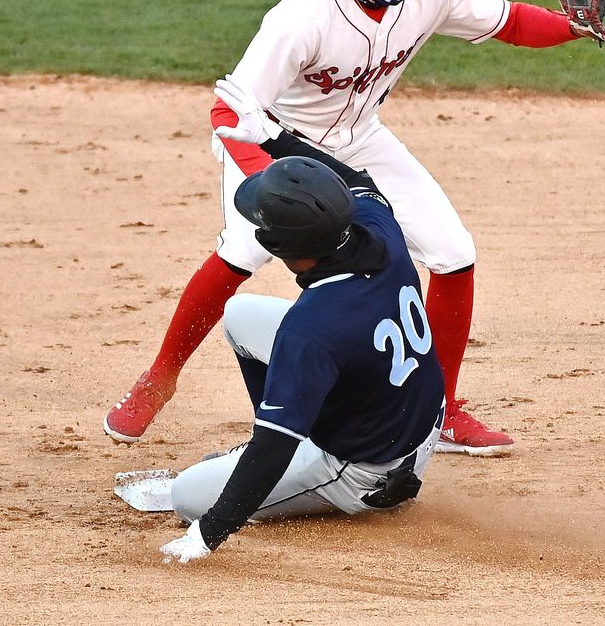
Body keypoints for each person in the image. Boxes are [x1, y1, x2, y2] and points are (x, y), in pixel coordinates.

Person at [104, 0, 605, 455]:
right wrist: (267, 177)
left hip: (362, 142)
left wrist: (571, 25)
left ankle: (442, 410)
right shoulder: (301, 17)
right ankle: (160, 377)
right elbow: (230, 110)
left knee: (453, 253)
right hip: (277, 142)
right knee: (244, 251)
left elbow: (511, 22)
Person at [159, 148, 445, 563]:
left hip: (370, 468)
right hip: (411, 410)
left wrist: (208, 533)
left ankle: (307, 454)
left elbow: (272, 448)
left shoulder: (312, 328)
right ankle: (293, 428)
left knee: (187, 497)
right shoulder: (375, 223)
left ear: (278, 245)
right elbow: (357, 177)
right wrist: (272, 136)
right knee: (239, 315)